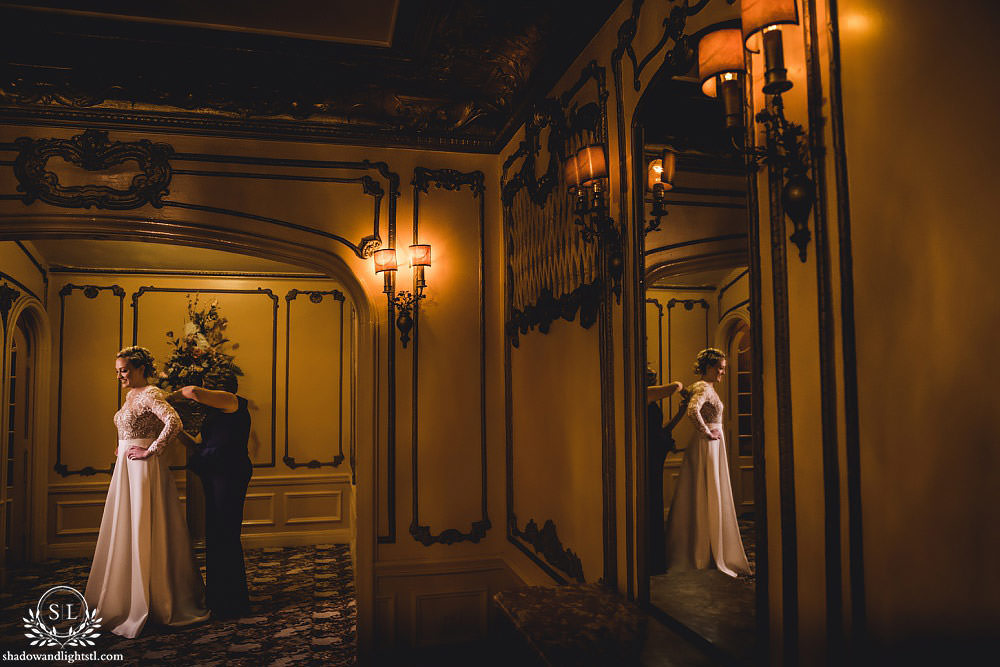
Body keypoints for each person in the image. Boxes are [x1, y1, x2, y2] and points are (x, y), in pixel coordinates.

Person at [85, 346, 209, 638]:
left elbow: (173, 422)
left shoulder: (152, 393)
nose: (120, 376)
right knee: (127, 527)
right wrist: (124, 445)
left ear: (140, 368)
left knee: (144, 525)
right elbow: (132, 428)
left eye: (124, 370)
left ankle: (154, 599)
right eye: (117, 371)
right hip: (126, 466)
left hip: (142, 470)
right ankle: (125, 595)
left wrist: (150, 449)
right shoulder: (131, 396)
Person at [169, 374, 253, 618]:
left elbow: (194, 391)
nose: (208, 389)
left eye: (212, 384)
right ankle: (219, 597)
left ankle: (233, 602)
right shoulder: (217, 414)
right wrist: (176, 431)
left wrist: (168, 396)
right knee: (215, 535)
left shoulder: (232, 401)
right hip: (215, 473)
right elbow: (198, 444)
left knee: (225, 534)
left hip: (230, 474)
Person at [664, 348, 750, 578]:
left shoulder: (703, 387)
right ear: (710, 367)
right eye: (720, 368)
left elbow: (688, 408)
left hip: (710, 445)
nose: (723, 372)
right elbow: (693, 410)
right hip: (707, 445)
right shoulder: (703, 387)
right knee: (706, 491)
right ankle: (702, 550)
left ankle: (708, 545)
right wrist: (707, 433)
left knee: (707, 491)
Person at [646, 369, 684, 575]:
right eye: (649, 375)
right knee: (650, 501)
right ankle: (649, 560)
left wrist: (680, 414)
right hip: (647, 458)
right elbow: (673, 387)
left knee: (656, 501)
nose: (654, 377)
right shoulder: (642, 394)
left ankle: (657, 559)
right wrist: (680, 386)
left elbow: (662, 431)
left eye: (654, 376)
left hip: (657, 455)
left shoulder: (652, 401)